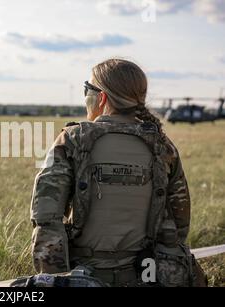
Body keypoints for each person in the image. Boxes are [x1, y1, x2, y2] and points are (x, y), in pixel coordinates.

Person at [30, 58, 207, 287]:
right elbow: (179, 225)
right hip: (148, 278)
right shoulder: (163, 146)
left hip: (86, 278)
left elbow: (46, 220)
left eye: (88, 89)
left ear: (101, 97)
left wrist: (58, 280)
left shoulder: (72, 140)